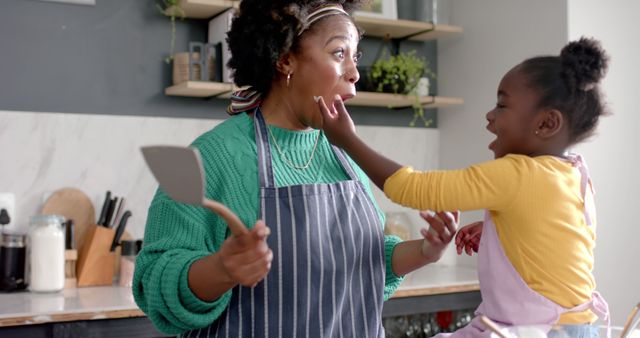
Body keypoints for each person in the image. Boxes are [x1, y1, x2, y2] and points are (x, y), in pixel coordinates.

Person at [133, 1, 459, 336]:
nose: (354, 72)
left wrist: (425, 251)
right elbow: (154, 283)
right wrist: (221, 270)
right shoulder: (216, 156)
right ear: (286, 58)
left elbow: (367, 259)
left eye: (355, 57)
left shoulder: (342, 152)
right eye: (338, 53)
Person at [318, 37, 611, 337]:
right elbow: (559, 239)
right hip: (579, 328)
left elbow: (412, 188)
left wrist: (348, 140)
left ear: (547, 124)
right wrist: (503, 232)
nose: (490, 115)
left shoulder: (517, 173)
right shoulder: (575, 172)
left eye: (502, 104)